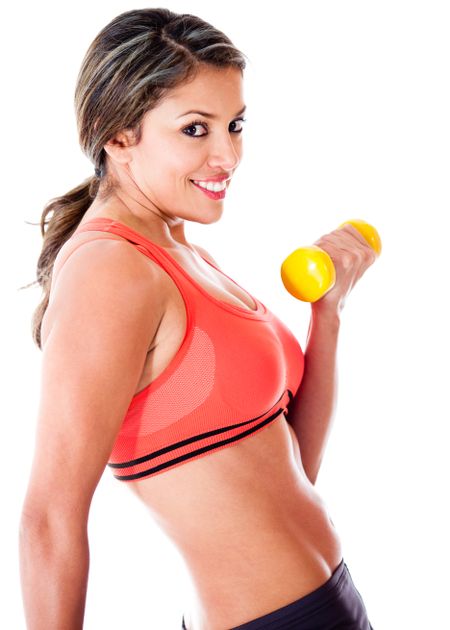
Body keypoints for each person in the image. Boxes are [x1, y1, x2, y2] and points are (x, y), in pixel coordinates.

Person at [18, 8, 377, 630]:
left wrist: (329, 313)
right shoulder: (111, 269)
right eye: (195, 129)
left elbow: (293, 467)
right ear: (119, 136)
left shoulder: (181, 252)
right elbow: (49, 517)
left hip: (327, 604)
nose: (227, 154)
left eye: (235, 125)